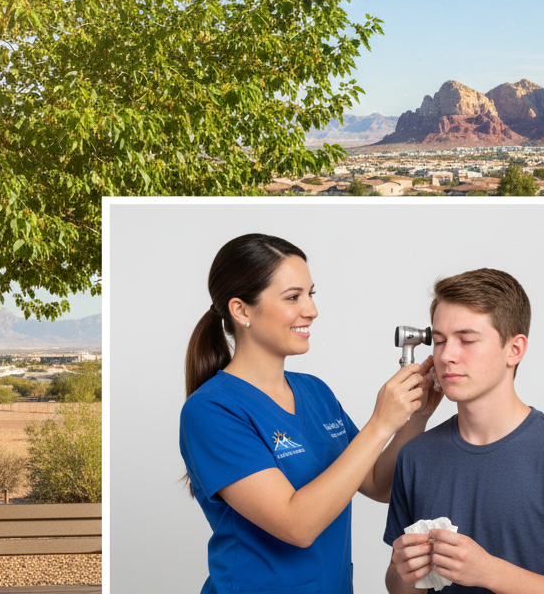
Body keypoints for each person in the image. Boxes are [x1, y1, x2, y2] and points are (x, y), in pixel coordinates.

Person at [179, 233, 444, 594]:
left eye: (310, 294)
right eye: (293, 297)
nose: (312, 310)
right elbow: (296, 525)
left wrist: (414, 418)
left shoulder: (314, 391)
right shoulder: (211, 411)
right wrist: (380, 424)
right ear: (241, 310)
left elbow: (378, 484)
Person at [384, 268, 544, 594]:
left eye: (466, 340)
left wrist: (489, 572)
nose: (446, 355)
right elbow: (400, 588)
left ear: (515, 349)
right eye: (439, 341)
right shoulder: (416, 456)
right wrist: (403, 570)